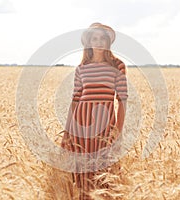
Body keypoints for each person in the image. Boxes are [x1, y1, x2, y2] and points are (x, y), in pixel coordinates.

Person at [61, 22, 128, 200]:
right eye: (94, 38)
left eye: (102, 39)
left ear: (108, 42)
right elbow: (75, 101)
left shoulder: (117, 66)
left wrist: (118, 132)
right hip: (80, 126)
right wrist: (67, 132)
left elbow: (122, 101)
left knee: (104, 172)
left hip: (105, 126)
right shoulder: (81, 68)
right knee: (81, 173)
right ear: (89, 42)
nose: (98, 42)